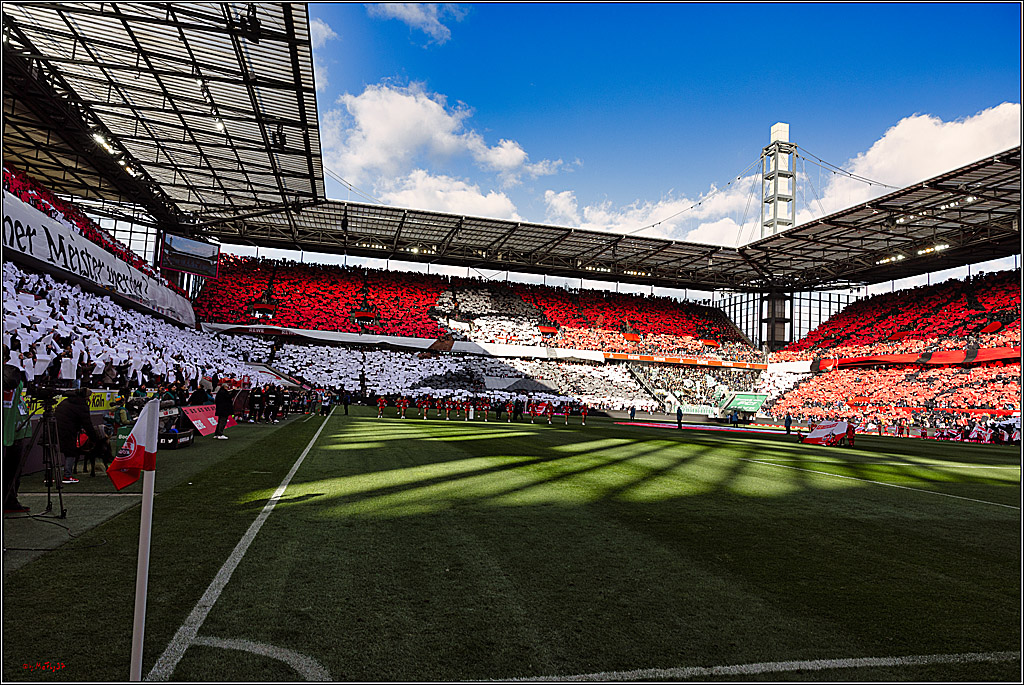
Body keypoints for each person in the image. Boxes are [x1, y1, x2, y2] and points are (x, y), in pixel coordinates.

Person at [4, 346, 32, 513]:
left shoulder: (14, 379)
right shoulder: (15, 379)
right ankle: (9, 501)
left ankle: (10, 501)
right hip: (13, 432)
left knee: (12, 470)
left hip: (16, 431)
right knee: (12, 471)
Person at [54, 387, 100, 484]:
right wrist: (94, 438)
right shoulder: (81, 405)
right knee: (70, 451)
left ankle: (50, 476)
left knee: (53, 450)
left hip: (54, 428)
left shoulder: (66, 401)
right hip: (68, 430)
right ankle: (67, 476)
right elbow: (87, 424)